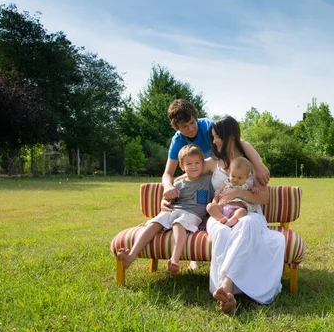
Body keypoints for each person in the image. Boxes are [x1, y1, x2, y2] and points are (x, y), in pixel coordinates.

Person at [161, 99, 271, 270]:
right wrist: (168, 190)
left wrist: (258, 162)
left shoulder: (209, 127)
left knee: (241, 222)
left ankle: (232, 277)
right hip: (214, 195)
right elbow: (174, 174)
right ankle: (218, 273)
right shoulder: (181, 143)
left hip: (241, 205)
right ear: (178, 129)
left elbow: (235, 140)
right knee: (212, 212)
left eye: (192, 123)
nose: (191, 129)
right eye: (185, 127)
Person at [203, 116, 285, 313]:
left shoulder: (251, 166)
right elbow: (187, 167)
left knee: (246, 225)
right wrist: (170, 185)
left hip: (248, 213)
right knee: (222, 232)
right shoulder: (214, 163)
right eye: (212, 137)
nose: (214, 142)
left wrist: (238, 192)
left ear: (229, 136)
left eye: (217, 137)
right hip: (219, 215)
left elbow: (264, 198)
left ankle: (227, 285)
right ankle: (228, 289)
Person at [116, 145, 214, 276]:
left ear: (203, 164)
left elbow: (213, 200)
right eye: (189, 164)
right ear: (182, 167)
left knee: (179, 224)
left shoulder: (208, 181)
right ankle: (131, 255)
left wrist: (208, 217)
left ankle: (174, 260)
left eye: (197, 163)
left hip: (193, 214)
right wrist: (164, 202)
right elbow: (168, 201)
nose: (194, 167)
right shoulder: (178, 184)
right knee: (153, 224)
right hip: (173, 211)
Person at [207, 156, 258, 227]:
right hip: (222, 208)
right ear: (229, 173)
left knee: (242, 211)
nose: (235, 179)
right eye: (233, 176)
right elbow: (217, 196)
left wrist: (254, 189)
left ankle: (231, 220)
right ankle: (223, 218)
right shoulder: (225, 184)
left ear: (247, 177)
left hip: (236, 209)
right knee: (209, 206)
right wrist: (215, 203)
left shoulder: (245, 186)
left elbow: (253, 190)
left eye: (239, 178)